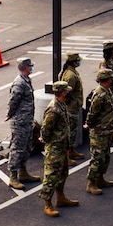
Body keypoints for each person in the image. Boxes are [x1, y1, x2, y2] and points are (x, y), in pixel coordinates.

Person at [39, 80, 77, 217]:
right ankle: (47, 204)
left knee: (62, 174)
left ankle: (61, 198)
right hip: (55, 148)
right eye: (66, 90)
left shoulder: (61, 105)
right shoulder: (54, 109)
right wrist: (47, 140)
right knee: (51, 176)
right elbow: (46, 130)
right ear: (62, 92)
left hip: (62, 147)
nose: (68, 92)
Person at [6, 57, 40, 189]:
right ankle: (13, 176)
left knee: (26, 147)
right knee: (17, 148)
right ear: (26, 67)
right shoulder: (19, 83)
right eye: (30, 66)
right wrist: (10, 114)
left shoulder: (26, 80)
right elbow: (13, 100)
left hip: (27, 120)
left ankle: (23, 171)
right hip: (20, 122)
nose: (31, 68)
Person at [84, 68, 113, 195]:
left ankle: (100, 178)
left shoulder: (106, 91)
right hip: (99, 132)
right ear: (106, 79)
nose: (112, 80)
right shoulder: (99, 95)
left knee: (105, 156)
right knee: (97, 158)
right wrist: (89, 125)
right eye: (111, 78)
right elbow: (92, 114)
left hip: (106, 131)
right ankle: (91, 183)